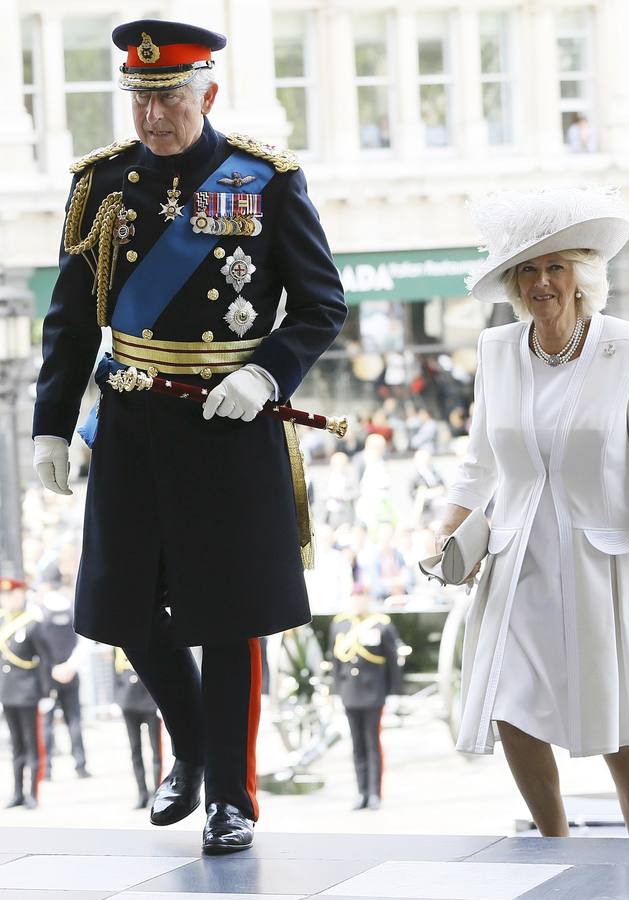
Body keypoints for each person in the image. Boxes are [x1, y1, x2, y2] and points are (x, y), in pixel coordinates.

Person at [32, 19, 346, 854]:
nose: (152, 116)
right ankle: (195, 749)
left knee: (227, 614)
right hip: (132, 420)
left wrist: (267, 373)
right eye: (138, 98)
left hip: (227, 421)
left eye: (168, 96)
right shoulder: (100, 184)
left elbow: (321, 304)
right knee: (124, 606)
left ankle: (231, 797)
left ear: (206, 93)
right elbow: (69, 325)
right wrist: (51, 429)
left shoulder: (263, 180)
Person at [438, 186, 629, 838]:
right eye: (526, 270)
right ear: (511, 283)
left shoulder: (626, 345)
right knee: (509, 703)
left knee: (615, 716)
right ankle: (552, 843)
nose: (540, 282)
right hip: (517, 560)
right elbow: (480, 462)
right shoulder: (497, 350)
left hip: (603, 563)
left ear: (581, 276)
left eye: (554, 267)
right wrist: (445, 535)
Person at [328, 587, 404, 810]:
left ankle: (374, 793)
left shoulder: (381, 624)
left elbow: (392, 662)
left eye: (362, 598)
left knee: (372, 743)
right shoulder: (340, 624)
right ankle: (361, 792)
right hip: (350, 692)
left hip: (373, 692)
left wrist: (393, 693)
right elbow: (335, 662)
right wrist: (336, 692)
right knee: (357, 745)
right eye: (355, 598)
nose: (358, 602)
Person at [0, 578, 53, 809]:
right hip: (8, 692)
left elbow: (45, 660)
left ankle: (33, 792)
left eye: (11, 595)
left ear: (21, 595)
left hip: (29, 693)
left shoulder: (32, 624)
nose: (7, 599)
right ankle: (18, 792)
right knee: (16, 745)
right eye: (4, 596)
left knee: (33, 744)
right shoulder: (2, 623)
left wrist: (45, 694)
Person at [37, 586, 90, 780]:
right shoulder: (71, 608)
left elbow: (39, 646)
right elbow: (84, 641)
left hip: (50, 674)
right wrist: (70, 666)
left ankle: (47, 769)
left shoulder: (40, 611)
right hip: (70, 672)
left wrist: (52, 668)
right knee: (74, 721)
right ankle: (81, 766)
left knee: (47, 723)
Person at [113, 648, 163, 809]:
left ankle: (158, 793)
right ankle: (142, 793)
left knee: (156, 751)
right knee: (135, 750)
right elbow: (116, 672)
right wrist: (116, 699)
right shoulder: (117, 642)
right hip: (128, 700)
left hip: (150, 700)